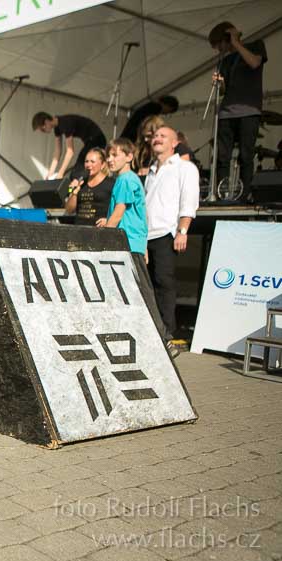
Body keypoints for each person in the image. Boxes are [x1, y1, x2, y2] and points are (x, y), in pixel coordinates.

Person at [144, 127, 199, 352]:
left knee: (164, 283)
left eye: (163, 136)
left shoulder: (185, 167)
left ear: (175, 143)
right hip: (147, 236)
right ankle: (153, 330)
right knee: (147, 285)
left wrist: (182, 230)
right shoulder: (151, 170)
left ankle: (167, 333)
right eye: (155, 136)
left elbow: (189, 200)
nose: (157, 139)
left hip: (167, 233)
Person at [209, 21, 268, 199]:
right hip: (227, 111)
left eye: (219, 44)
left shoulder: (256, 45)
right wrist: (219, 84)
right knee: (222, 156)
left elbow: (255, 63)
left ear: (226, 38)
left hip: (249, 110)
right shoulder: (225, 60)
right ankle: (222, 192)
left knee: (246, 154)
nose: (219, 49)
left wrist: (236, 42)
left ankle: (245, 194)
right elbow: (225, 90)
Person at [96, 138, 147, 259]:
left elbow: (119, 212)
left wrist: (104, 238)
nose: (109, 159)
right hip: (134, 243)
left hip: (127, 243)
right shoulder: (130, 178)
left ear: (129, 157)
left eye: (114, 155)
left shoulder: (125, 180)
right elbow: (138, 214)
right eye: (108, 156)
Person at [32, 112, 107, 181]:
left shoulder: (65, 123)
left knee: (76, 173)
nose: (43, 132)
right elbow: (57, 152)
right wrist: (50, 173)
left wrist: (61, 173)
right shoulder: (57, 127)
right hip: (91, 141)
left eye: (42, 129)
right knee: (76, 172)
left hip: (97, 139)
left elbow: (70, 151)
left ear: (46, 121)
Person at [65, 147, 114, 227]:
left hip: (100, 232)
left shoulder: (111, 183)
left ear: (103, 164)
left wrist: (109, 220)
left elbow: (120, 208)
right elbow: (69, 210)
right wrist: (74, 192)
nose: (88, 165)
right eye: (86, 161)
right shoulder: (80, 182)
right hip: (80, 230)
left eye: (92, 162)